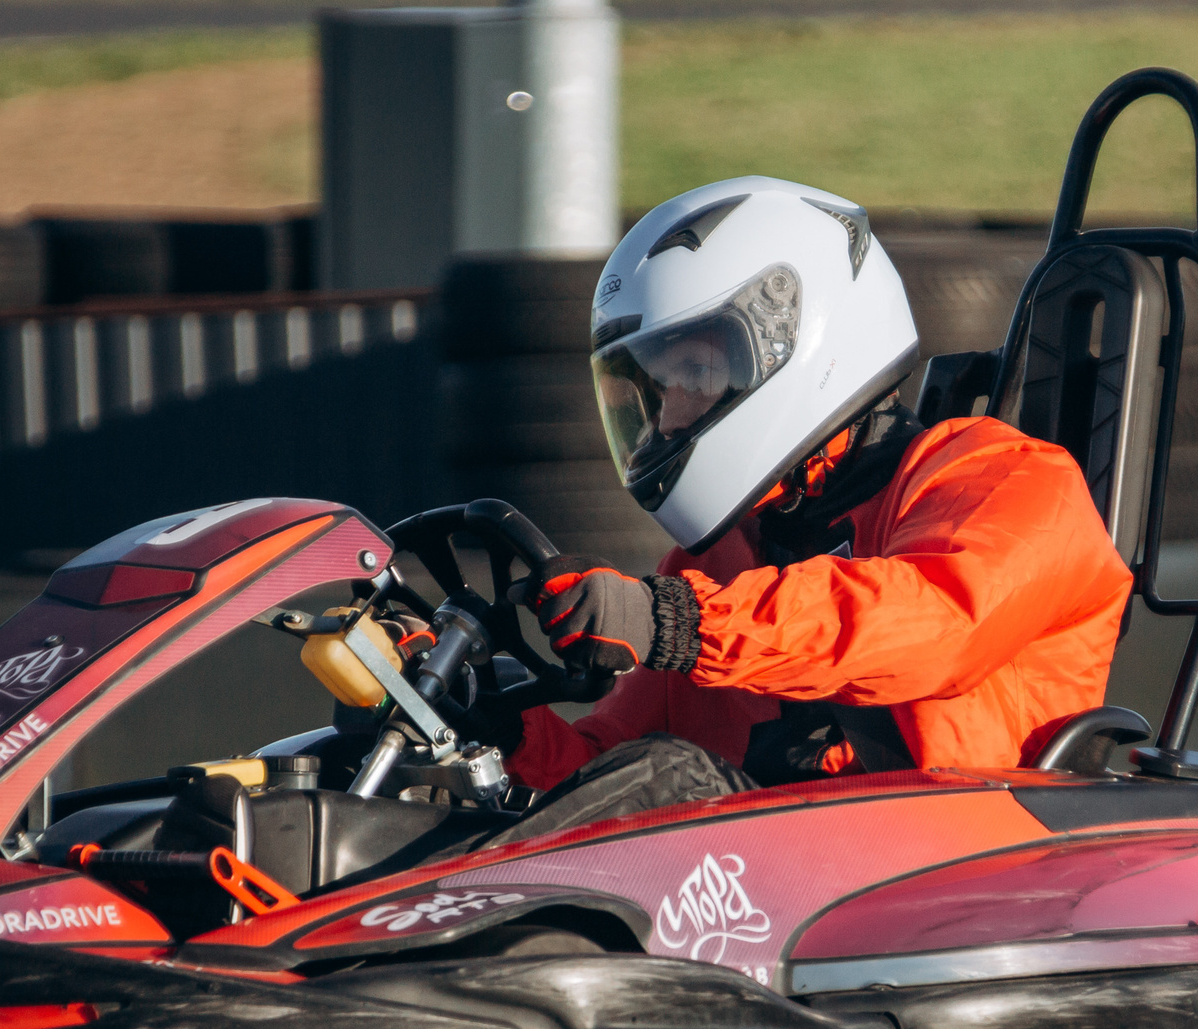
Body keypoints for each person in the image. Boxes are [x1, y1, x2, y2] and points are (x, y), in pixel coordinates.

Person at [482, 176, 1133, 843]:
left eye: (697, 374)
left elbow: (931, 625)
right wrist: (500, 729)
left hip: (980, 863)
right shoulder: (718, 562)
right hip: (790, 877)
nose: (670, 416)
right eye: (659, 385)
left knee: (671, 782)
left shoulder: (1012, 478)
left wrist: (675, 621)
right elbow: (605, 780)